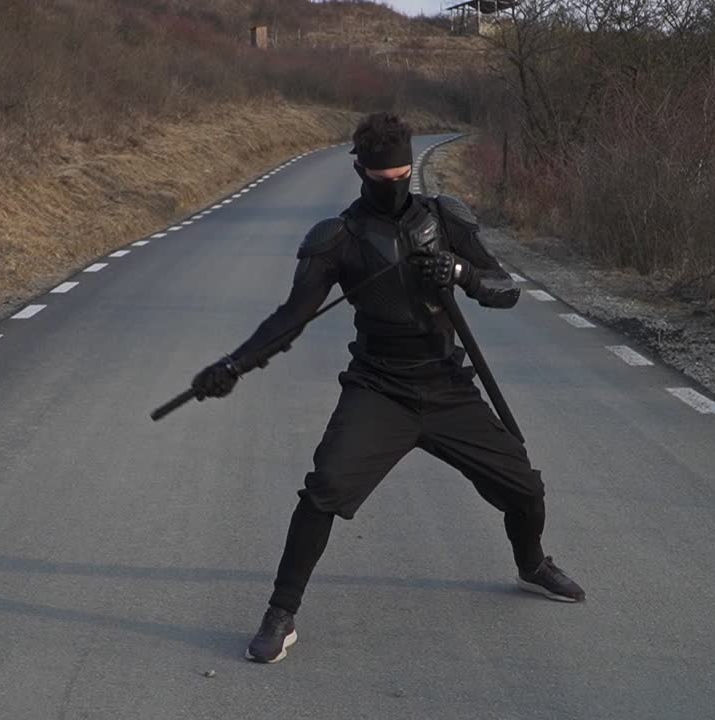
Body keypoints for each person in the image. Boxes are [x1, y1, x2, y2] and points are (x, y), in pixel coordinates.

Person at [190, 112, 585, 665]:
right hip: (379, 388)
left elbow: (504, 290)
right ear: (361, 172)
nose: (395, 184)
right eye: (383, 177)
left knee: (526, 490)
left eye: (403, 173)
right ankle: (281, 614)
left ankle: (532, 565)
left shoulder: (446, 219)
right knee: (322, 491)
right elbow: (290, 318)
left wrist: (461, 275)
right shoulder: (336, 239)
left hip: (447, 384)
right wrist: (234, 364)